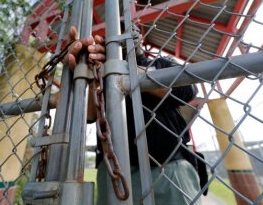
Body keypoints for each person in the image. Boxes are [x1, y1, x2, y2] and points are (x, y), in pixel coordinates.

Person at [65, 26, 202, 205]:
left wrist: (124, 68)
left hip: (168, 169)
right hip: (114, 172)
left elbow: (187, 89)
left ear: (140, 37)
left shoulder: (160, 63)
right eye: (118, 30)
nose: (124, 34)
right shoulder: (103, 70)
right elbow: (90, 115)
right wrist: (84, 71)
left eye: (130, 29)